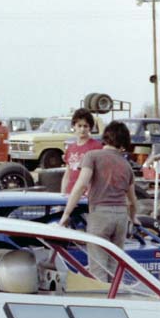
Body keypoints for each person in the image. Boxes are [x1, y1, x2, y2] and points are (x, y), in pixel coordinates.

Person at [58, 120, 138, 279]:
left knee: (98, 268)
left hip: (100, 215)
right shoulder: (126, 165)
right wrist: (134, 217)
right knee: (115, 266)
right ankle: (116, 293)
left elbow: (81, 186)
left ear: (106, 137)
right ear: (124, 142)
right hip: (121, 216)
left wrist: (66, 214)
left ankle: (102, 294)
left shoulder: (92, 156)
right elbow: (132, 200)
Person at [60, 108, 103, 195]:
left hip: (87, 196)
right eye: (79, 126)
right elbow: (67, 174)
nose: (82, 129)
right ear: (74, 126)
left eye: (85, 126)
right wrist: (62, 194)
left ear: (90, 127)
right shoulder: (70, 148)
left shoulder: (97, 147)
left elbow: (100, 174)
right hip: (70, 194)